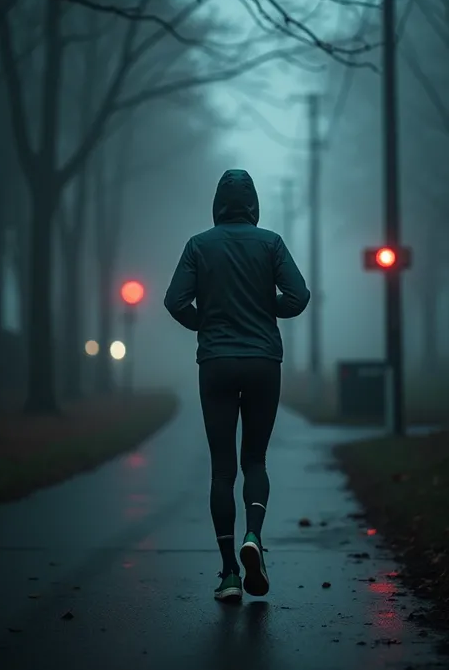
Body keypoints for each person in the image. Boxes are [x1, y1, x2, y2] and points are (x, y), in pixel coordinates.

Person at [164, 169, 310, 602]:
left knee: (222, 469)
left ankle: (229, 573)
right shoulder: (270, 243)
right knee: (256, 462)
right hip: (264, 361)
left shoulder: (198, 245)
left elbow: (175, 301)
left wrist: (206, 322)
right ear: (253, 205)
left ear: (217, 204)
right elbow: (298, 297)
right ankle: (253, 535)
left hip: (217, 363)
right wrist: (266, 307)